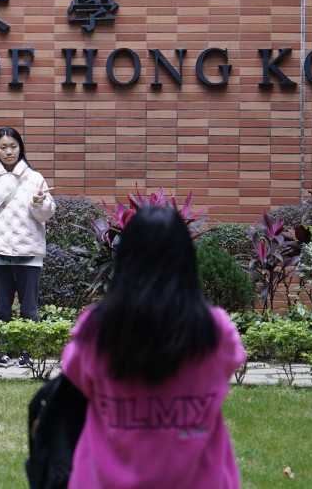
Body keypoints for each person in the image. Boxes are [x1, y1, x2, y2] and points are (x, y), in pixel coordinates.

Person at [60, 206, 247, 488]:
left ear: (125, 259)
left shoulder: (96, 330)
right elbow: (230, 363)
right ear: (185, 259)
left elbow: (76, 375)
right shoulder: (215, 330)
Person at [0, 127, 55, 368]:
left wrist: (39, 203)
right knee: (2, 309)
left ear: (20, 148)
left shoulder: (35, 178)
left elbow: (46, 214)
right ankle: (3, 352)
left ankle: (28, 354)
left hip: (29, 254)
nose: (9, 151)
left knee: (29, 309)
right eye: (3, 147)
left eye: (13, 146)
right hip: (1, 254)